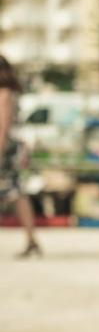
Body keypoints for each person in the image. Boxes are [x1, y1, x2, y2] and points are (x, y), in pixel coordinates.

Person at [0, 55, 40, 259]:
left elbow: (3, 125)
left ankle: (32, 240)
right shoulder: (11, 92)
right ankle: (31, 240)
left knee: (16, 194)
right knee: (17, 194)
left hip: (5, 149)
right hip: (12, 147)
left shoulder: (5, 93)